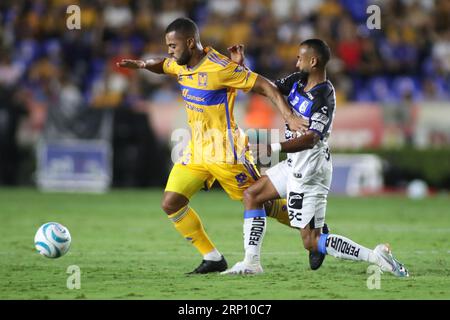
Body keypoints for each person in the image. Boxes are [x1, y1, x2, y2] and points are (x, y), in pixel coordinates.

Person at [117, 17, 308, 274]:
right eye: (168, 46)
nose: (170, 51)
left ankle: (314, 229)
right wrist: (141, 64)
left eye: (173, 45)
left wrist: (288, 116)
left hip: (226, 151)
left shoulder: (219, 67)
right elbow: (162, 65)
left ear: (189, 42)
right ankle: (212, 257)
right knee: (171, 203)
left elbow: (264, 85)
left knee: (263, 203)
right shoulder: (180, 64)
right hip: (196, 150)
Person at [224, 39, 409, 277]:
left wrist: (273, 147)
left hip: (310, 172)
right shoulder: (297, 81)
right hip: (293, 165)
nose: (296, 61)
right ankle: (251, 263)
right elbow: (266, 87)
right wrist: (242, 67)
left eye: (300, 57)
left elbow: (311, 138)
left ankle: (376, 257)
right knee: (252, 195)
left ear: (313, 61)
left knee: (312, 242)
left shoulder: (324, 96)